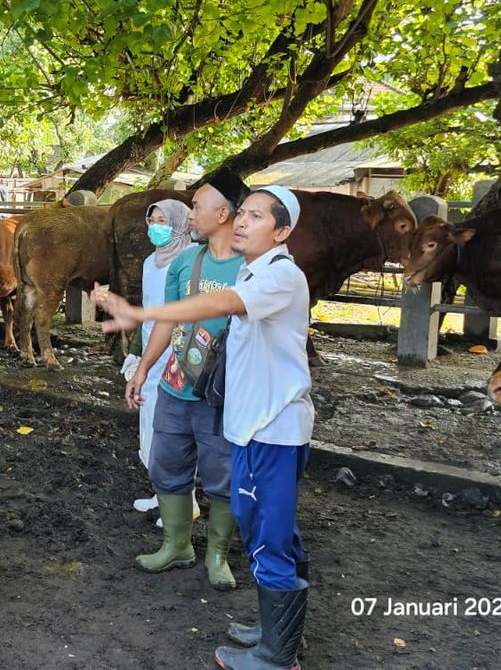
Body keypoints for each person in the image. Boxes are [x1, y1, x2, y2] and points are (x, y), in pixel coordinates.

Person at [96, 184, 313, 670]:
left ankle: (277, 657)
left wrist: (143, 312)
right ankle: (275, 632)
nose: (242, 221)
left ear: (282, 231)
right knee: (273, 533)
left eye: (256, 217)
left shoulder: (279, 275)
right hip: (255, 425)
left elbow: (221, 306)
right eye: (244, 212)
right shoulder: (258, 269)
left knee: (269, 536)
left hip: (271, 428)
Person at [129, 169, 249, 592]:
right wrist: (144, 369)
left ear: (223, 212)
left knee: (223, 475)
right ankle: (177, 545)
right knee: (167, 464)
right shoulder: (185, 261)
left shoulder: (252, 269)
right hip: (175, 387)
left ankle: (217, 555)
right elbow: (167, 322)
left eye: (197, 205)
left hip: (222, 393)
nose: (191, 211)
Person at [123, 198, 193, 517]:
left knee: (174, 429)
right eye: (152, 221)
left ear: (179, 223)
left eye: (163, 221)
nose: (156, 227)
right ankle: (162, 493)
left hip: (178, 353)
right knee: (149, 422)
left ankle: (183, 503)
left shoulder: (190, 260)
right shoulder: (151, 262)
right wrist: (136, 353)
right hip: (152, 353)